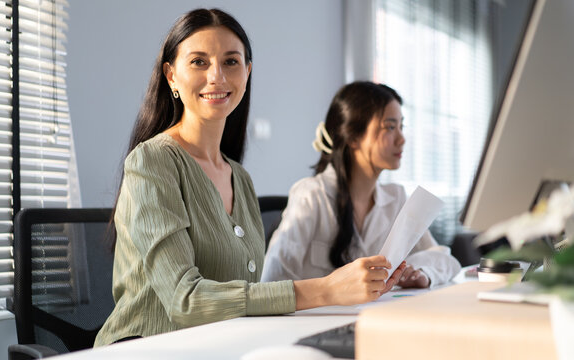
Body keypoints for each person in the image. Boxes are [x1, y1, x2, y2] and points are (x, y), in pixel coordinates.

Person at [94, 9, 406, 346]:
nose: (217, 76)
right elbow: (185, 300)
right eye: (199, 62)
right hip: (149, 348)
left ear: (247, 72)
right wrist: (326, 289)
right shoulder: (151, 161)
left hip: (223, 346)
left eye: (231, 62)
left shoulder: (239, 177)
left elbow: (247, 290)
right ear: (171, 75)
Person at [261, 82, 461, 287]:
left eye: (402, 127)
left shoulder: (396, 198)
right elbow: (272, 283)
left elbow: (445, 259)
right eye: (390, 127)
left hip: (374, 316)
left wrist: (423, 273)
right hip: (319, 318)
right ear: (353, 137)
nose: (402, 139)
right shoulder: (312, 195)